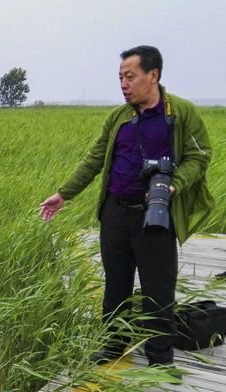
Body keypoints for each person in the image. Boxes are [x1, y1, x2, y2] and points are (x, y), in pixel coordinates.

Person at [39, 46, 213, 367]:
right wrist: (64, 194)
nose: (123, 84)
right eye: (120, 77)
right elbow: (93, 159)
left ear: (153, 75)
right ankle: (112, 346)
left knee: (157, 290)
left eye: (130, 77)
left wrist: (173, 184)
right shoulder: (119, 116)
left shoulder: (181, 113)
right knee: (115, 284)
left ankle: (160, 358)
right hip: (115, 213)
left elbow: (199, 157)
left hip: (155, 215)